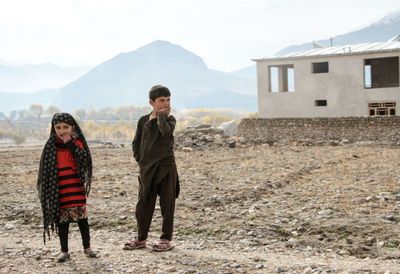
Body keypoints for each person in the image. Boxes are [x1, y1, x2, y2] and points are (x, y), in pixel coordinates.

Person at [124, 85, 180, 252]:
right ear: (151, 102)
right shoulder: (143, 121)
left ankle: (165, 239)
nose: (166, 103)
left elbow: (166, 133)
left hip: (166, 168)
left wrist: (161, 117)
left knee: (167, 204)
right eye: (162, 100)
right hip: (147, 169)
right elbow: (136, 143)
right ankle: (141, 238)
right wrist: (141, 160)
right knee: (143, 204)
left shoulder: (170, 120)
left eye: (168, 100)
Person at [37, 113, 97, 262]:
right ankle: (64, 251)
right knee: (62, 222)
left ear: (73, 127)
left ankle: (87, 247)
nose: (62, 130)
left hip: (76, 187)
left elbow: (84, 161)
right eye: (58, 127)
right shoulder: (50, 146)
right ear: (53, 128)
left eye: (66, 127)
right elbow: (45, 170)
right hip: (59, 190)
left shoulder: (78, 143)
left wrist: (71, 144)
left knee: (82, 220)